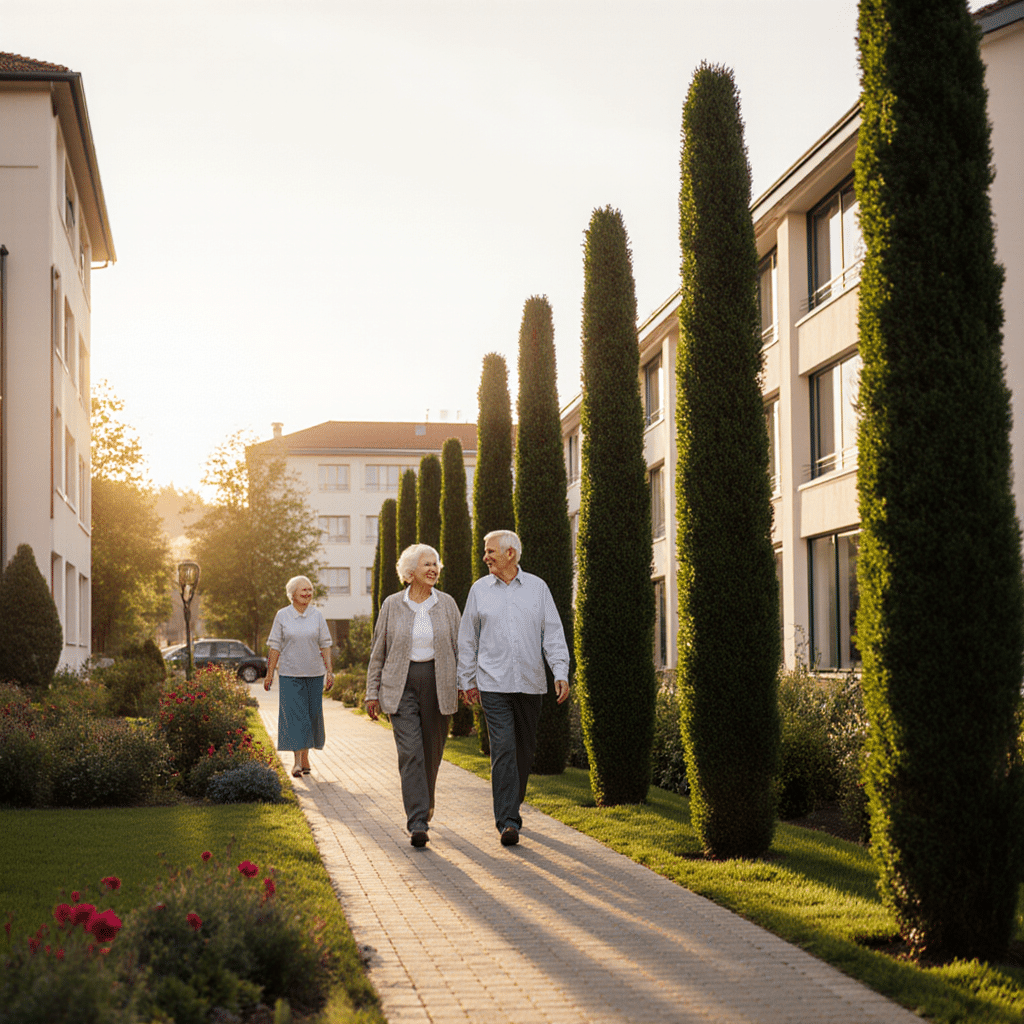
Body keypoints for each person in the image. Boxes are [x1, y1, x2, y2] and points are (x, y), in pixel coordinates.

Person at [458, 529, 570, 847]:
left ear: (510, 554)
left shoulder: (537, 588)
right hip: (493, 684)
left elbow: (553, 633)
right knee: (503, 748)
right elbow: (468, 639)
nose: (485, 557)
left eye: (491, 551)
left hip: (530, 683)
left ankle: (512, 805)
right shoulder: (479, 590)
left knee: (523, 751)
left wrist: (559, 671)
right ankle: (508, 821)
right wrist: (466, 681)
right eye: (485, 551)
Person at [366, 544, 462, 848]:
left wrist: (467, 682)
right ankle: (417, 820)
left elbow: (462, 647)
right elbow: (378, 651)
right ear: (410, 572)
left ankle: (425, 803)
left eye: (435, 564)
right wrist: (372, 692)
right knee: (410, 752)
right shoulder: (392, 605)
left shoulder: (446, 604)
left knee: (431, 754)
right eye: (426, 565)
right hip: (400, 683)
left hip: (438, 681)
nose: (433, 569)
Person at [264, 575, 334, 777]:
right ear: (292, 594)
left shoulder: (317, 615)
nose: (307, 593)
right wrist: (270, 674)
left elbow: (325, 644)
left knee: (311, 717)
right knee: (296, 718)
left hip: (314, 674)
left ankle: (305, 757)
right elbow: (274, 646)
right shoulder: (282, 615)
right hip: (290, 674)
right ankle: (296, 762)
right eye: (303, 589)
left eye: (310, 589)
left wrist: (329, 671)